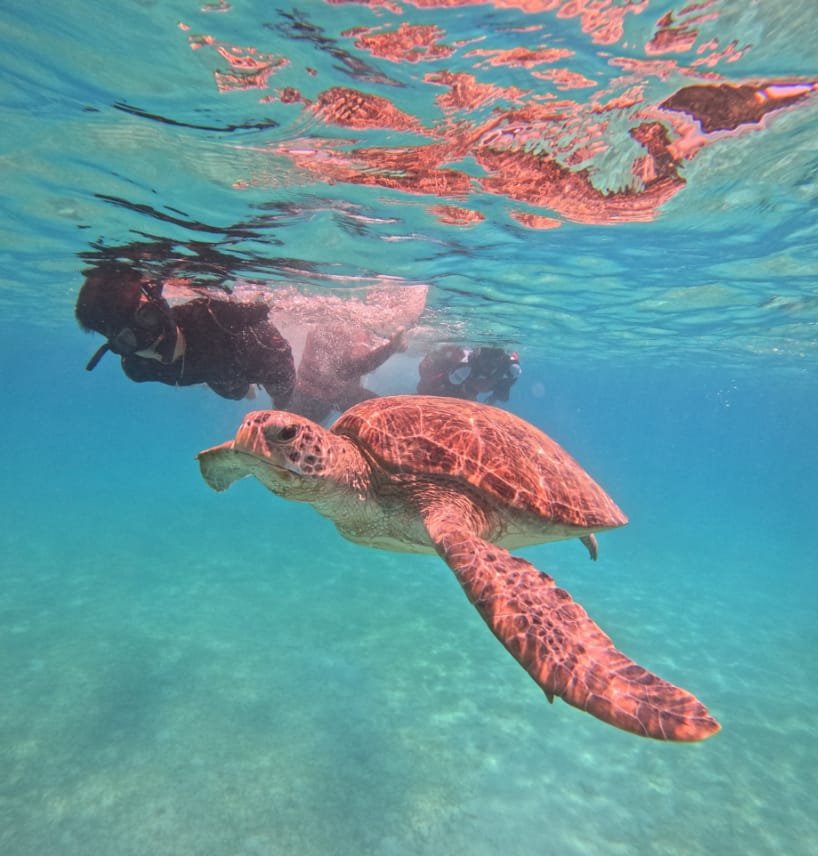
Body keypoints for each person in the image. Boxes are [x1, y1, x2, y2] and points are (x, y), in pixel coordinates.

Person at [75, 263, 295, 405]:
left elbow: (267, 303)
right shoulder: (137, 368)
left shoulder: (212, 315)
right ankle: (245, 390)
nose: (152, 343)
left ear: (158, 304)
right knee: (235, 393)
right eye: (127, 341)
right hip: (219, 375)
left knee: (282, 396)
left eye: (148, 318)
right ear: (118, 348)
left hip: (262, 355)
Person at [286, 322, 408, 423]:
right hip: (311, 396)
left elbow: (349, 370)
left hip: (338, 391)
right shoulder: (338, 327)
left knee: (391, 417)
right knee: (291, 431)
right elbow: (346, 371)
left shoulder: (359, 326)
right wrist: (391, 348)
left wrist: (392, 346)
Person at [417, 345, 521, 404]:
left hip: (472, 383)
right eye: (486, 358)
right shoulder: (465, 365)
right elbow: (447, 381)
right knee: (428, 388)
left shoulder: (510, 369)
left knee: (502, 396)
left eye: (495, 358)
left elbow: (503, 391)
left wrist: (493, 394)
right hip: (453, 382)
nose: (489, 364)